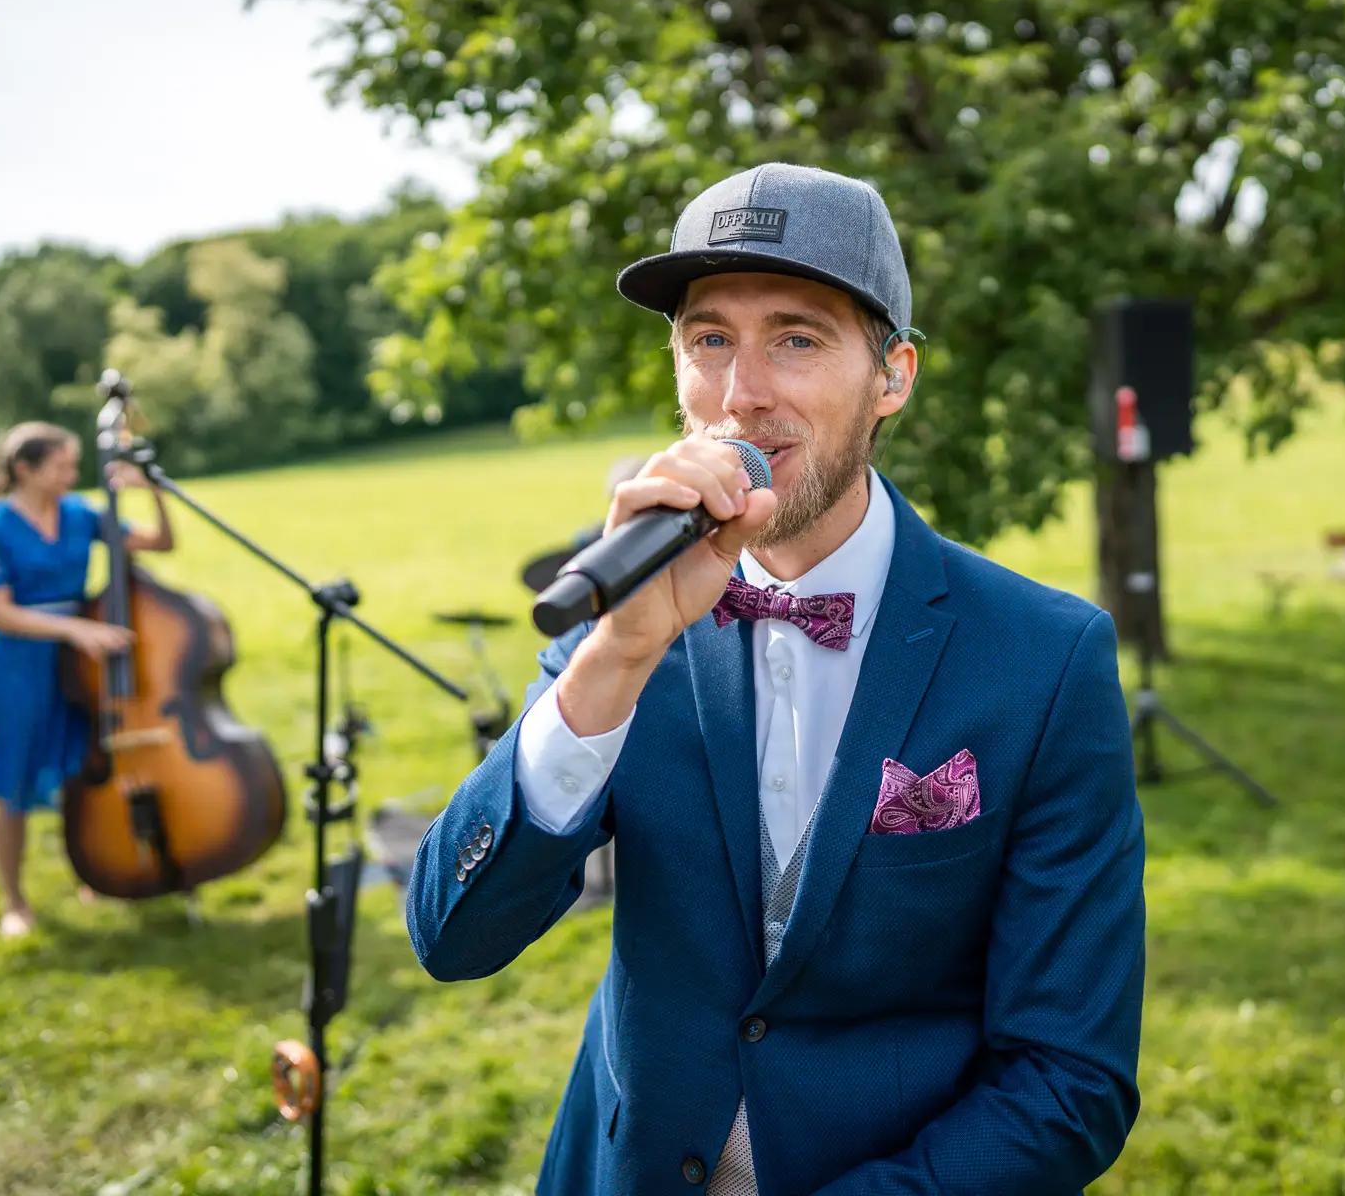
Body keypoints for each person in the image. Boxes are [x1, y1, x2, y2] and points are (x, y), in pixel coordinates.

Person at [407, 163, 1145, 1194]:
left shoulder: (1045, 657)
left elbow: (1072, 1078)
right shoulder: (626, 603)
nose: (742, 393)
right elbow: (453, 936)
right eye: (710, 339)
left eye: (796, 337)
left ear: (893, 375)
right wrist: (613, 661)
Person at [0, 421, 175, 938]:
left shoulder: (79, 514)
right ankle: (14, 900)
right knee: (13, 786)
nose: (73, 475)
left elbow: (159, 543)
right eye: (62, 466)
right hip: (19, 668)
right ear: (26, 470)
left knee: (81, 773)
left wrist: (155, 494)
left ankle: (92, 871)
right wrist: (75, 627)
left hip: (80, 667)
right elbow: (1, 613)